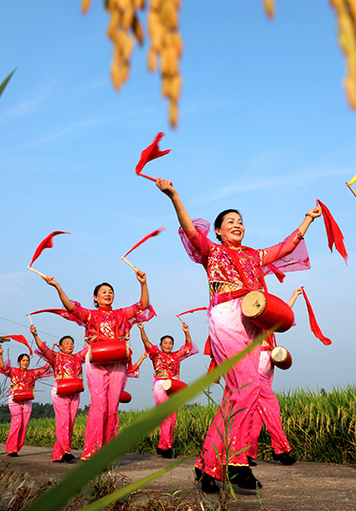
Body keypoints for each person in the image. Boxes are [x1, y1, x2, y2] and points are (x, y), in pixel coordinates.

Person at [156, 177, 321, 492]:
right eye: (230, 221)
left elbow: (285, 247)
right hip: (227, 317)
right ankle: (219, 466)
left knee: (247, 393)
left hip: (253, 318)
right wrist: (175, 196)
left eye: (241, 222)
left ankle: (234, 464)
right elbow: (191, 231)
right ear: (217, 230)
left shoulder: (254, 256)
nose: (237, 225)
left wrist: (307, 220)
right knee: (243, 390)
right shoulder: (211, 252)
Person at [41, 269, 155, 460]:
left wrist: (143, 283)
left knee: (112, 407)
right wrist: (57, 286)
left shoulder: (121, 314)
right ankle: (92, 450)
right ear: (95, 297)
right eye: (103, 291)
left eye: (110, 291)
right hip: (96, 360)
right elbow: (71, 308)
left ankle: (109, 450)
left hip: (117, 361)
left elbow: (142, 305)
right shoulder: (90, 315)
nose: (108, 294)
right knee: (99, 404)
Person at [245, 288, 303, 467]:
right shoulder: (249, 323)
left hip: (265, 367)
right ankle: (281, 450)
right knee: (272, 408)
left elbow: (283, 311)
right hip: (256, 370)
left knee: (256, 416)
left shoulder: (268, 323)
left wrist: (294, 295)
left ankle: (246, 453)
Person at [137, 321, 197, 459]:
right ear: (161, 345)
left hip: (174, 386)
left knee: (173, 418)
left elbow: (188, 346)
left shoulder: (176, 356)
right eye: (165, 343)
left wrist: (186, 331)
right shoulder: (156, 354)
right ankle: (168, 448)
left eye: (170, 343)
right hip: (160, 385)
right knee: (166, 416)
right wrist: (142, 329)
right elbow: (146, 342)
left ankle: (161, 446)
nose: (168, 345)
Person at [30, 325, 89, 463]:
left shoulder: (77, 357)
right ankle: (66, 451)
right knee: (63, 421)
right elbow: (44, 349)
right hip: (60, 390)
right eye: (66, 343)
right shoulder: (55, 357)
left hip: (74, 391)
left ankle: (57, 454)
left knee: (70, 421)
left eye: (72, 343)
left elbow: (88, 350)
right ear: (60, 347)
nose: (70, 345)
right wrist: (35, 335)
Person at [0, 346, 50, 457]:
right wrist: (1, 355)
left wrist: (49, 357)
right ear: (19, 362)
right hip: (14, 399)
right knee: (17, 422)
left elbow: (44, 369)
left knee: (24, 424)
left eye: (27, 360)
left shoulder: (32, 373)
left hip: (27, 399)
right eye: (23, 360)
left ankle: (17, 448)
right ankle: (11, 448)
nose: (25, 362)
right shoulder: (13, 371)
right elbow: (2, 367)